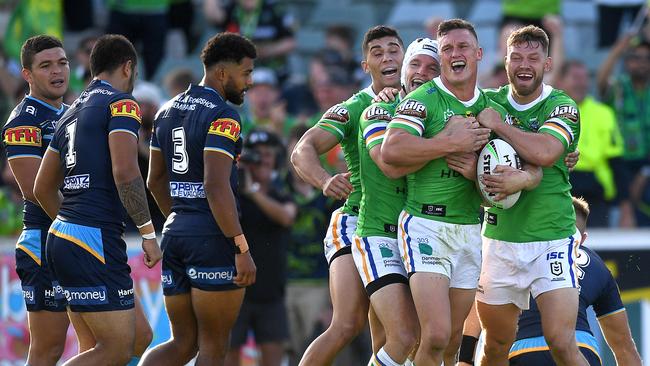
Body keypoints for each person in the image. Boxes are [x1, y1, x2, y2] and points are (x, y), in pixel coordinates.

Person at [381, 19, 533, 365]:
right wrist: (448, 142)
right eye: (447, 48)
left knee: (451, 341)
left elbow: (523, 159)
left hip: (469, 229)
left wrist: (481, 175)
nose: (454, 54)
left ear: (478, 53)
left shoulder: (494, 107)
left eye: (462, 47)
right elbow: (392, 150)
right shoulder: (424, 99)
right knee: (433, 335)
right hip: (425, 224)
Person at [33, 34, 162, 365]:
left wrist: (70, 226)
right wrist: (148, 233)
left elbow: (42, 187)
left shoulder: (70, 110)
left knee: (138, 337)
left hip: (67, 235)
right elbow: (126, 171)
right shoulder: (121, 103)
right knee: (116, 348)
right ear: (128, 67)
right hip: (92, 238)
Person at [290, 25, 405, 365]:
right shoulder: (355, 107)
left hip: (403, 226)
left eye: (393, 49)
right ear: (365, 65)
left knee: (393, 336)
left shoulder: (422, 101)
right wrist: (324, 180)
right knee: (346, 323)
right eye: (377, 52)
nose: (387, 57)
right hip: (356, 222)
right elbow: (303, 149)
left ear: (406, 56)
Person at [141, 32, 257, 365]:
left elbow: (155, 180)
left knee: (181, 344)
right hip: (212, 237)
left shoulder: (165, 110)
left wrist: (180, 217)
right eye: (246, 73)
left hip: (175, 235)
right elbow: (215, 185)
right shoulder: (224, 116)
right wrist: (241, 247)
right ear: (223, 73)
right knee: (213, 345)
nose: (248, 82)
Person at [475, 25, 586, 366]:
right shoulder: (486, 101)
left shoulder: (562, 106)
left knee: (561, 341)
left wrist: (501, 127)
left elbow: (548, 151)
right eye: (517, 57)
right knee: (495, 345)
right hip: (499, 240)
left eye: (533, 58)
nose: (525, 64)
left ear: (547, 63)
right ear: (505, 61)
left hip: (551, 237)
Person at [1, 35, 69, 366]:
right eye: (46, 66)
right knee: (47, 350)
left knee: (122, 338)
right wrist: (79, 231)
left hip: (76, 237)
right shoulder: (23, 121)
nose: (57, 71)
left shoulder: (75, 113)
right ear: (27, 74)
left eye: (62, 62)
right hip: (45, 240)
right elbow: (33, 190)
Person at [509, 197, 642, 365]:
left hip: (523, 350)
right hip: (581, 349)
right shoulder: (597, 264)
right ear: (583, 239)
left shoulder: (514, 250)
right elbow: (624, 347)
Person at [226, 129, 296, 366]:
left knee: (273, 359)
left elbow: (287, 217)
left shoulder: (280, 194)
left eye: (269, 154)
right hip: (235, 290)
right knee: (229, 355)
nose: (264, 160)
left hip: (271, 293)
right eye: (257, 155)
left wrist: (253, 192)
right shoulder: (232, 196)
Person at [597, 35, 650, 227]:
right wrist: (619, 48)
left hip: (648, 160)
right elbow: (601, 81)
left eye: (646, 58)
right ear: (627, 62)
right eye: (636, 58)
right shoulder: (618, 88)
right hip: (622, 161)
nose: (642, 63)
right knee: (625, 206)